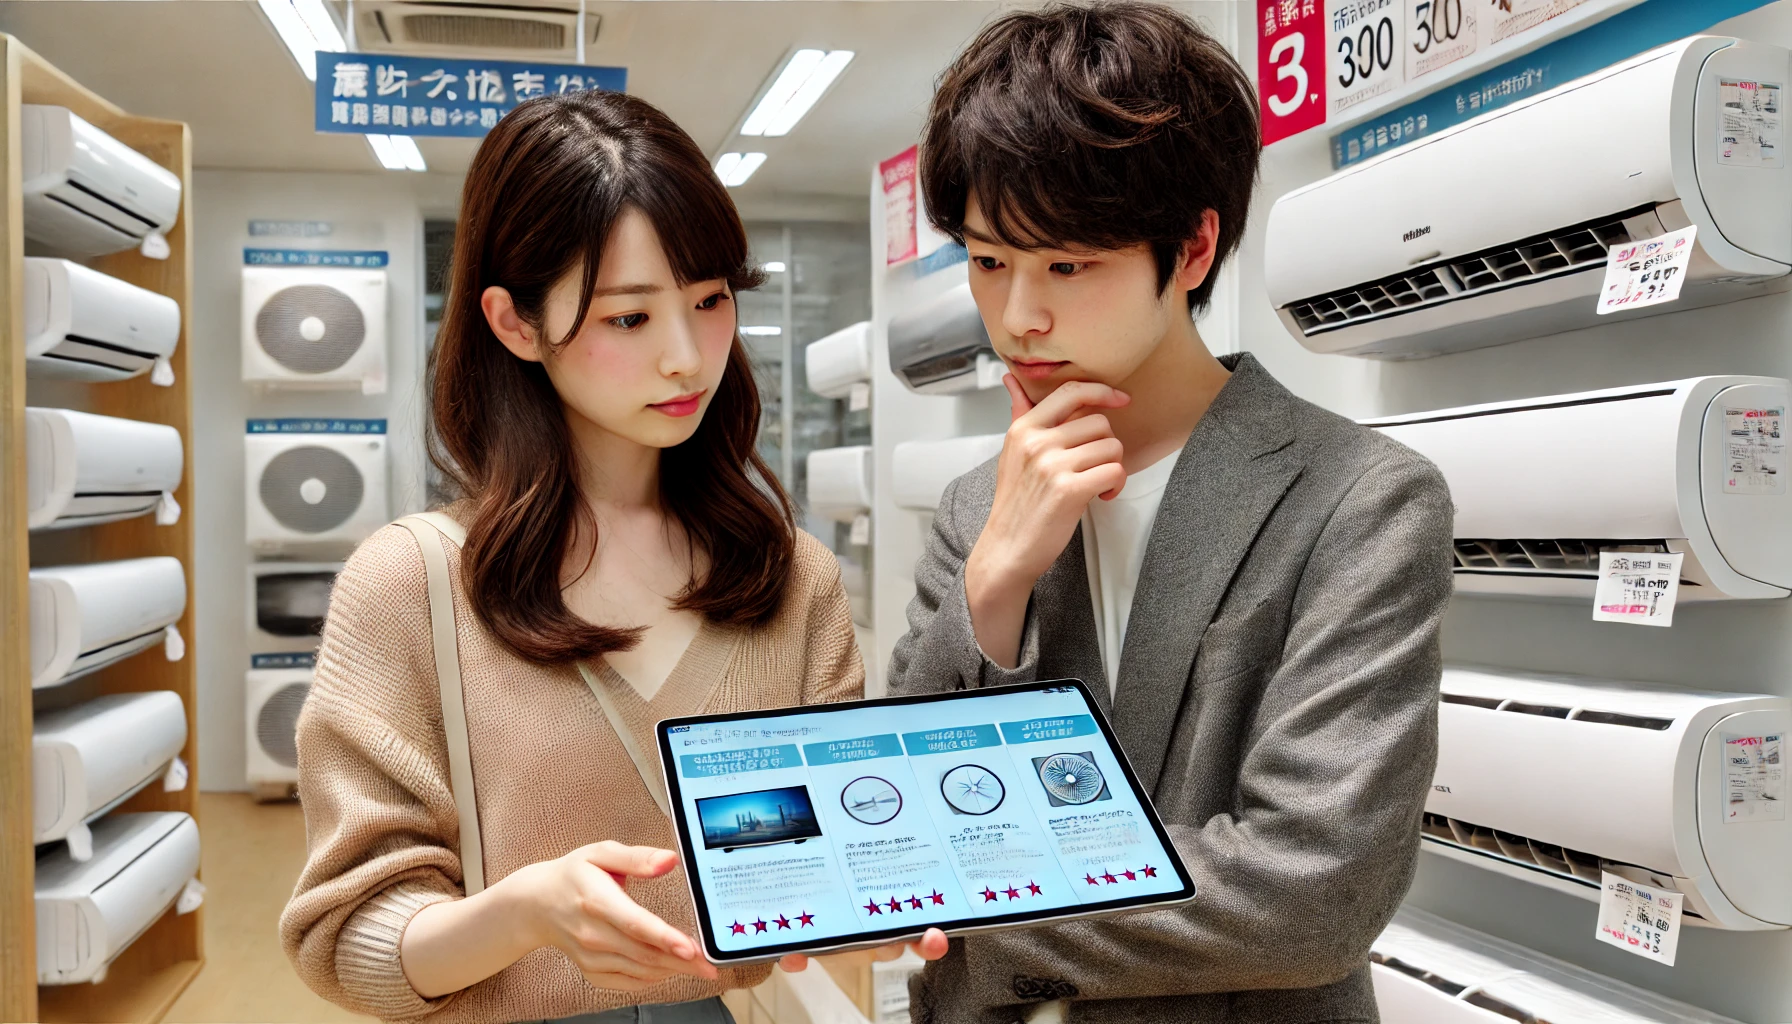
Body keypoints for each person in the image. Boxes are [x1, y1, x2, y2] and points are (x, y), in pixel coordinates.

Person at [280, 90, 943, 1024]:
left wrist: (877, 907)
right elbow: (346, 938)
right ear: (515, 324)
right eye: (629, 318)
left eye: (710, 301)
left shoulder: (791, 579)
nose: (688, 357)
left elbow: (818, 873)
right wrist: (523, 915)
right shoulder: (413, 584)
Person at [887, 4, 1456, 1022]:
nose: (1017, 315)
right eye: (986, 261)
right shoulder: (980, 504)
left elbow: (1311, 889)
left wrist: (980, 914)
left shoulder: (1358, 498)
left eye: (1066, 265)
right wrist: (992, 587)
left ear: (1192, 248)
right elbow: (894, 811)